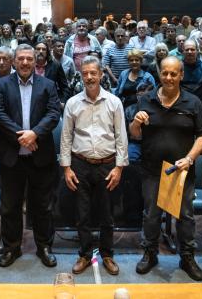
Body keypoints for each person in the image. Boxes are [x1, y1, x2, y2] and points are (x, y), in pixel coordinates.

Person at [129, 56, 202, 281]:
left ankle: (187, 257)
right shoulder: (146, 99)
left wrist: (190, 158)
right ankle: (150, 253)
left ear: (181, 75)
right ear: (159, 73)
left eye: (174, 73)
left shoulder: (193, 102)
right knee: (151, 215)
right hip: (152, 170)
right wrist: (135, 122)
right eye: (165, 73)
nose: (169, 77)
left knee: (185, 217)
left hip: (182, 171)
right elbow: (135, 135)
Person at [0, 44, 62, 268]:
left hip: (40, 156)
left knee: (42, 205)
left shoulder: (48, 85)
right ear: (14, 61)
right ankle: (12, 247)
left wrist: (35, 134)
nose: (24, 63)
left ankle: (44, 246)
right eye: (20, 59)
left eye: (29, 59)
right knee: (10, 206)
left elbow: (53, 114)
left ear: (35, 62)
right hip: (12, 156)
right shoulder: (1, 85)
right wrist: (22, 137)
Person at [61, 56, 128, 276]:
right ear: (81, 75)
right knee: (82, 214)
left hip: (107, 165)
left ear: (100, 75)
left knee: (107, 214)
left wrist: (119, 168)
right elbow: (66, 138)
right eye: (85, 73)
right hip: (80, 164)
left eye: (93, 73)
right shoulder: (72, 103)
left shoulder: (113, 102)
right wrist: (67, 168)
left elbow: (121, 137)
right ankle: (85, 254)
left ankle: (107, 254)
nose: (89, 77)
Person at [180, 40, 202, 109]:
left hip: (201, 106)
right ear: (183, 51)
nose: (189, 52)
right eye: (187, 50)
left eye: (192, 49)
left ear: (197, 51)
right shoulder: (177, 67)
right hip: (182, 106)